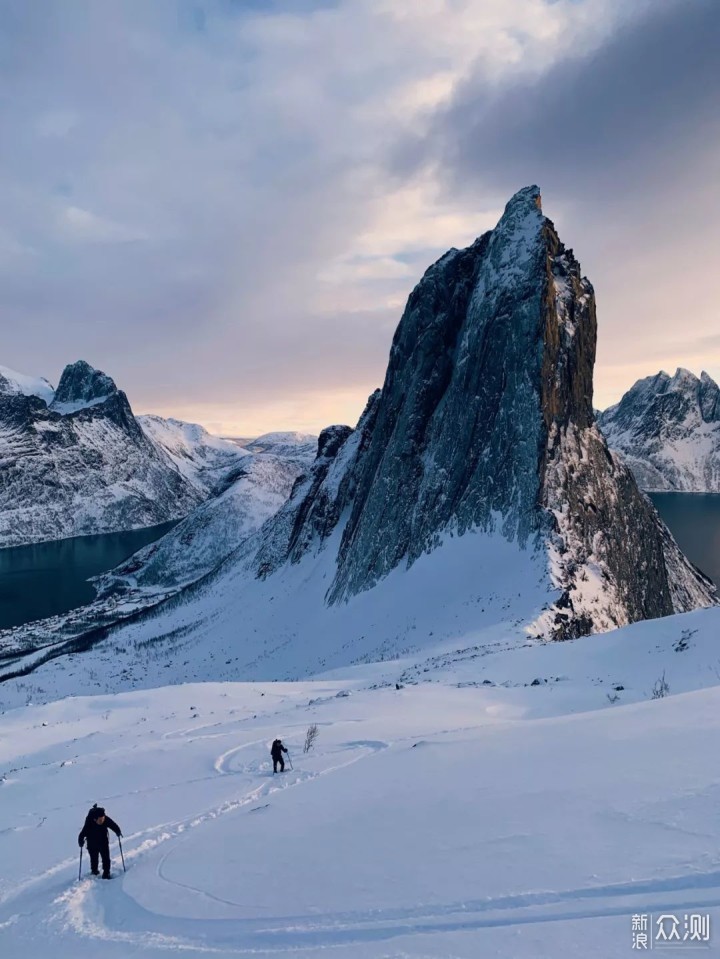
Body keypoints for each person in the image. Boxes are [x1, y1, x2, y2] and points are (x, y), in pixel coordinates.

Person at [78, 803, 122, 879]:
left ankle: (106, 873)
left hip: (103, 841)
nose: (102, 820)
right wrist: (80, 840)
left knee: (106, 858)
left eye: (103, 818)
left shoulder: (104, 818)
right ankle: (94, 870)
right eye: (100, 819)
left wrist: (118, 831)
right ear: (95, 819)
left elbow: (113, 825)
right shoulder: (89, 822)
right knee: (94, 858)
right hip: (92, 843)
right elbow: (83, 832)